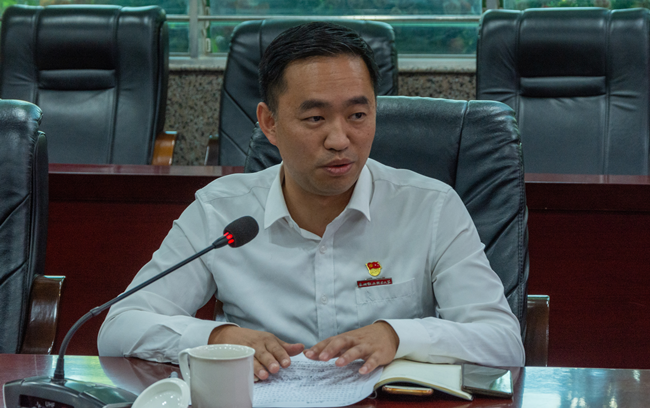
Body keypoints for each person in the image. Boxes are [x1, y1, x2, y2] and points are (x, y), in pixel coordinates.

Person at [98, 22, 525, 379]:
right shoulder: (222, 211)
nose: (340, 139)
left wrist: (398, 336)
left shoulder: (430, 207)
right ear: (270, 123)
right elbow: (119, 326)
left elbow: (503, 341)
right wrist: (217, 338)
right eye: (315, 118)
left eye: (358, 115)